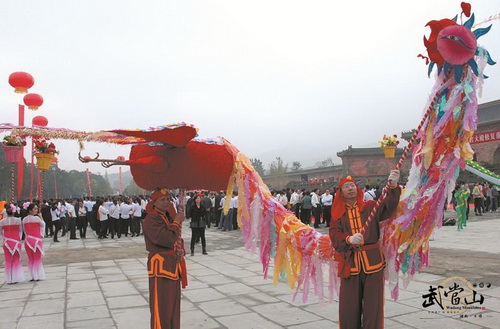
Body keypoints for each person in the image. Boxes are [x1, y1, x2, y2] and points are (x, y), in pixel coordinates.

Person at [329, 170, 401, 329]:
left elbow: (388, 208)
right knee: (349, 308)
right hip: (350, 264)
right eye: (346, 186)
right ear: (340, 193)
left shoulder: (370, 207)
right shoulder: (338, 214)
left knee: (373, 306)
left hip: (373, 263)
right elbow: (334, 236)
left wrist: (394, 186)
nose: (350, 188)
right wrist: (348, 239)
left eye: (352, 185)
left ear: (358, 189)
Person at [143, 188, 187, 329]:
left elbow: (175, 239)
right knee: (161, 307)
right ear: (154, 202)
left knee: (173, 307)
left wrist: (181, 249)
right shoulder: (151, 218)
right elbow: (165, 239)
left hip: (172, 265)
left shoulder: (167, 216)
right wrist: (176, 223)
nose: (166, 202)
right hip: (160, 268)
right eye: (162, 199)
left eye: (168, 199)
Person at [0, 203, 25, 284]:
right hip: (16, 241)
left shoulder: (2, 221)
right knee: (16, 259)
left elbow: (0, 233)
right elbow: (21, 231)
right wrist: (19, 239)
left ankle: (9, 278)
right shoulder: (18, 220)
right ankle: (16, 277)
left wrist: (2, 240)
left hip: (6, 242)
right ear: (14, 211)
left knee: (8, 260)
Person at [22, 203, 46, 281]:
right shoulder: (37, 218)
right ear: (30, 210)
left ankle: (32, 276)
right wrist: (41, 217)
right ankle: (38, 275)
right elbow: (43, 225)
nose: (36, 210)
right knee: (37, 258)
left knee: (31, 259)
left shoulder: (24, 219)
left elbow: (24, 230)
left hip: (28, 241)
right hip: (36, 240)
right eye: (35, 209)